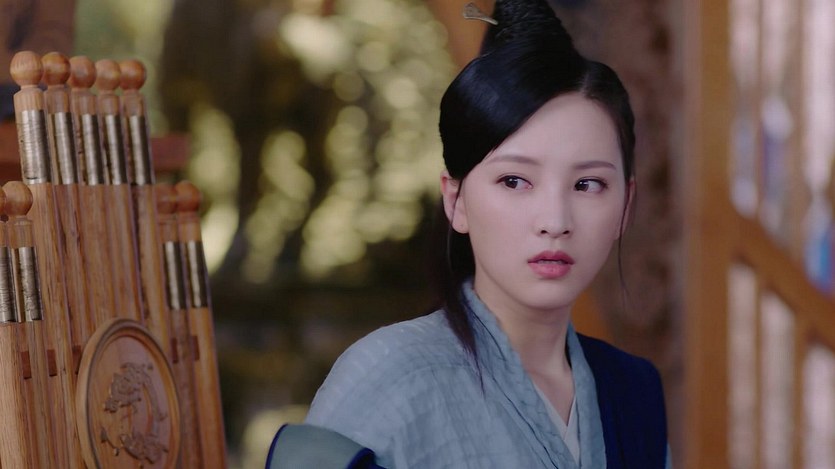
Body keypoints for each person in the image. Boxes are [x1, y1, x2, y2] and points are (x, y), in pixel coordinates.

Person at [302, 0, 671, 467]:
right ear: (455, 200)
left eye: (587, 184)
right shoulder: (386, 376)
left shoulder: (632, 390)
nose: (554, 220)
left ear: (625, 205)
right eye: (514, 181)